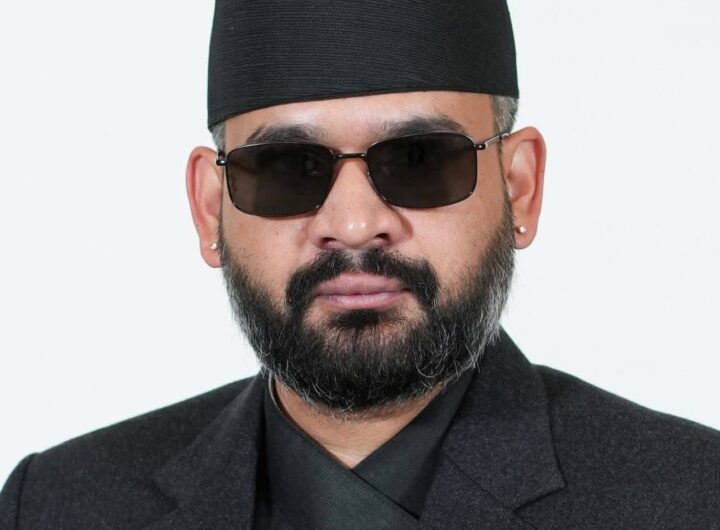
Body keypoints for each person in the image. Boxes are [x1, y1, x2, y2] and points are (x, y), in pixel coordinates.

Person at [2, 0, 719, 528]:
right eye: (287, 168)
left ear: (519, 188)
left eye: (419, 160)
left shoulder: (692, 500)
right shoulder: (56, 507)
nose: (352, 224)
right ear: (209, 207)